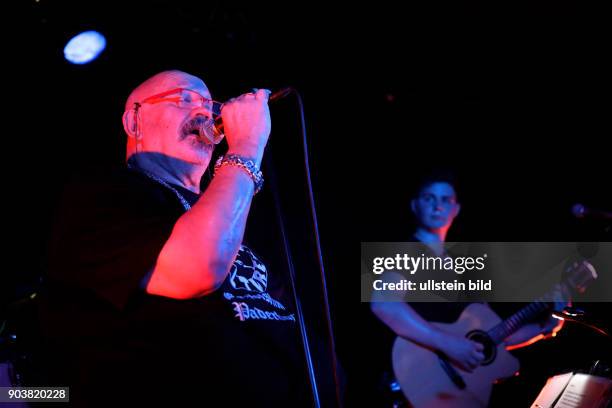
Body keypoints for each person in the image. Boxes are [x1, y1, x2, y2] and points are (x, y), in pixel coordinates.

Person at [39, 70, 312, 407]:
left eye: (209, 106)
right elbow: (199, 267)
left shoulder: (236, 211)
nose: (203, 114)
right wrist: (246, 147)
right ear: (133, 121)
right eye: (184, 99)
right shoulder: (102, 195)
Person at [370, 171, 565, 405]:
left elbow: (489, 338)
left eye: (445, 200)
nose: (437, 206)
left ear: (456, 209)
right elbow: (383, 303)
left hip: (457, 391)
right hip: (415, 382)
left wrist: (546, 326)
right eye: (429, 198)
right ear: (415, 205)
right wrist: (448, 344)